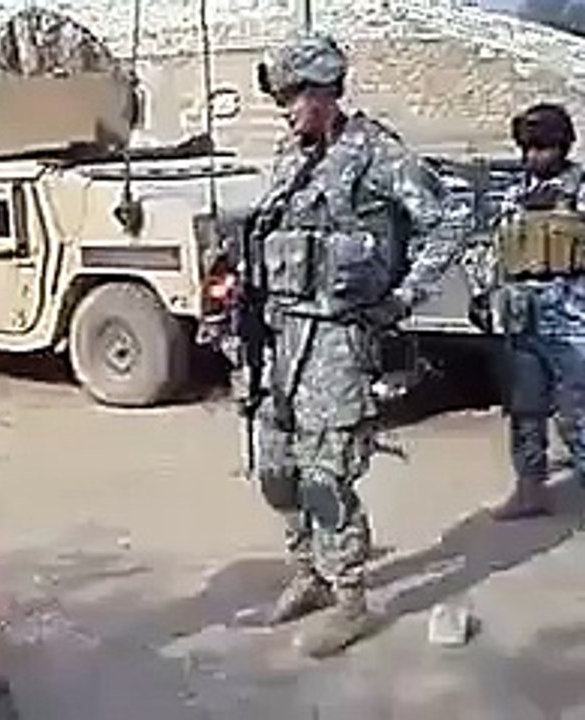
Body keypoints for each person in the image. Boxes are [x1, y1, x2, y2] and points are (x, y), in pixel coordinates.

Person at [241, 34, 464, 658]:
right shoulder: (293, 156)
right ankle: (308, 572)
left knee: (325, 474)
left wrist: (401, 299)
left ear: (322, 91)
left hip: (339, 339)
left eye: (292, 97)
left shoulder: (377, 154)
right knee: (276, 469)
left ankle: (350, 599)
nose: (285, 110)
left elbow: (450, 221)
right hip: (283, 338)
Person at [465, 102, 585, 521]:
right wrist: (483, 295)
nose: (535, 156)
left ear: (563, 145)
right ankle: (529, 489)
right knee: (525, 408)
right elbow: (494, 247)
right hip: (521, 313)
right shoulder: (514, 192)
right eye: (529, 147)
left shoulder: (581, 188)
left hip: (571, 315)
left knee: (577, 410)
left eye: (544, 147)